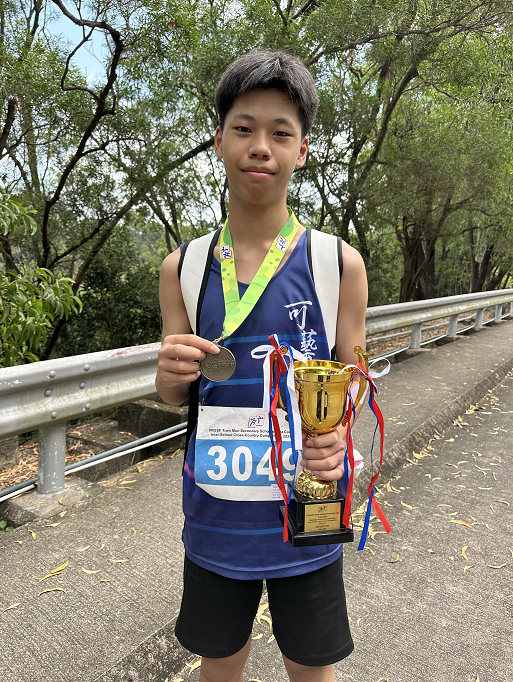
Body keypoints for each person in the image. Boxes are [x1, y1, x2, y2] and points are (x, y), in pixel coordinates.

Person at [156, 50, 368, 682]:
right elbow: (175, 395)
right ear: (218, 141)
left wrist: (338, 431)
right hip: (217, 514)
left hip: (310, 504)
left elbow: (353, 379)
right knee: (219, 661)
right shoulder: (183, 268)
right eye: (244, 128)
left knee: (311, 665)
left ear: (302, 151)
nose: (260, 146)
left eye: (281, 133)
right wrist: (167, 378)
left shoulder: (338, 263)